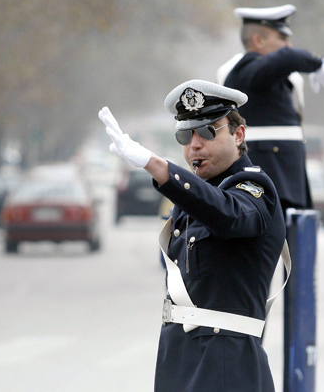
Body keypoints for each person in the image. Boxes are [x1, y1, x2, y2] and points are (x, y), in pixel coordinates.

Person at [98, 79, 290, 391]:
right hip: (181, 363)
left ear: (238, 135)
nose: (194, 145)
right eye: (185, 134)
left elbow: (228, 216)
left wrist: (157, 166)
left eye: (208, 131)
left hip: (227, 369)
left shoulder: (255, 189)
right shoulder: (195, 198)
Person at [222, 4, 324, 211]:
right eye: (282, 38)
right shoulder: (246, 71)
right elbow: (287, 57)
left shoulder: (265, 75)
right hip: (271, 178)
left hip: (281, 178)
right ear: (258, 40)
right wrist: (317, 65)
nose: (288, 45)